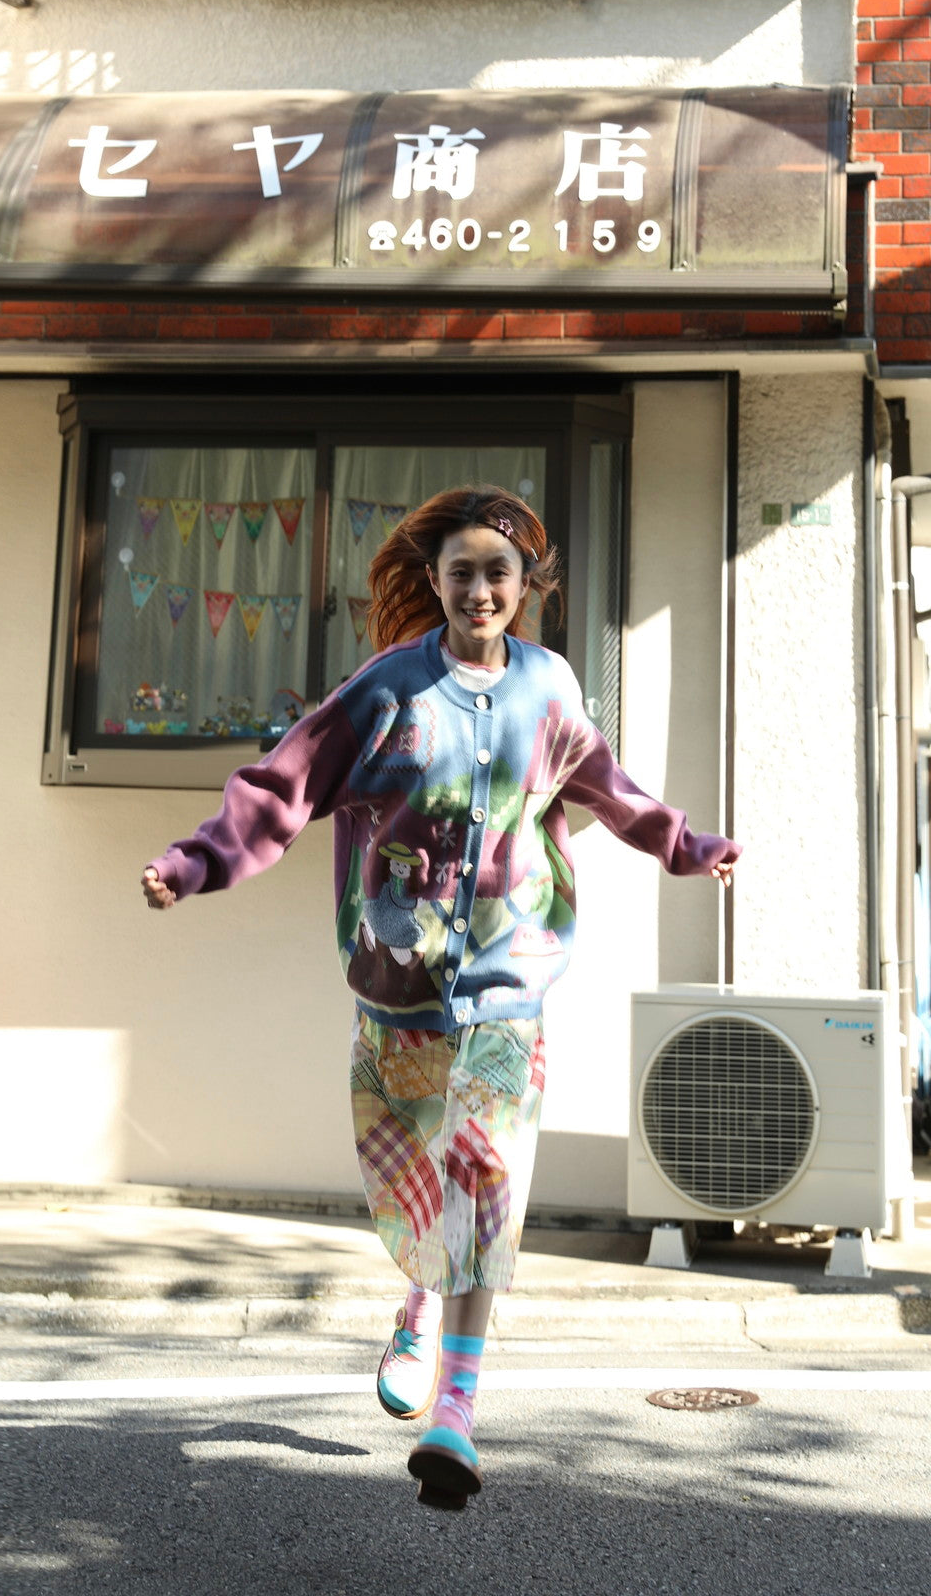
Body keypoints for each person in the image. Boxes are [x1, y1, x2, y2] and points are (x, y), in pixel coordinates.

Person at [141, 484, 740, 1510]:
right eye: (461, 572)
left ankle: (455, 1411)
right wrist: (194, 863)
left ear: (524, 584)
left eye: (498, 573)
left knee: (488, 1180)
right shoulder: (386, 691)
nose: (480, 590)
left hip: (510, 985)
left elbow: (608, 786)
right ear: (436, 579)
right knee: (420, 1187)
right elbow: (281, 787)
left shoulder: (549, 688)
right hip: (398, 992)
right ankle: (419, 1297)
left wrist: (688, 845)